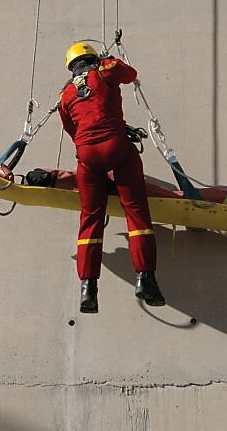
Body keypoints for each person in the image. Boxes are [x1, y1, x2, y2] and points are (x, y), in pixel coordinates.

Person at [59, 41, 166, 313]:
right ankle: (146, 279)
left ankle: (88, 289)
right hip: (117, 147)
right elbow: (131, 74)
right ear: (93, 58)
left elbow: (72, 129)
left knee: (90, 220)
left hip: (87, 155)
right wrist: (110, 59)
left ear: (71, 66)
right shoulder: (106, 70)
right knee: (136, 211)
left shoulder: (66, 94)